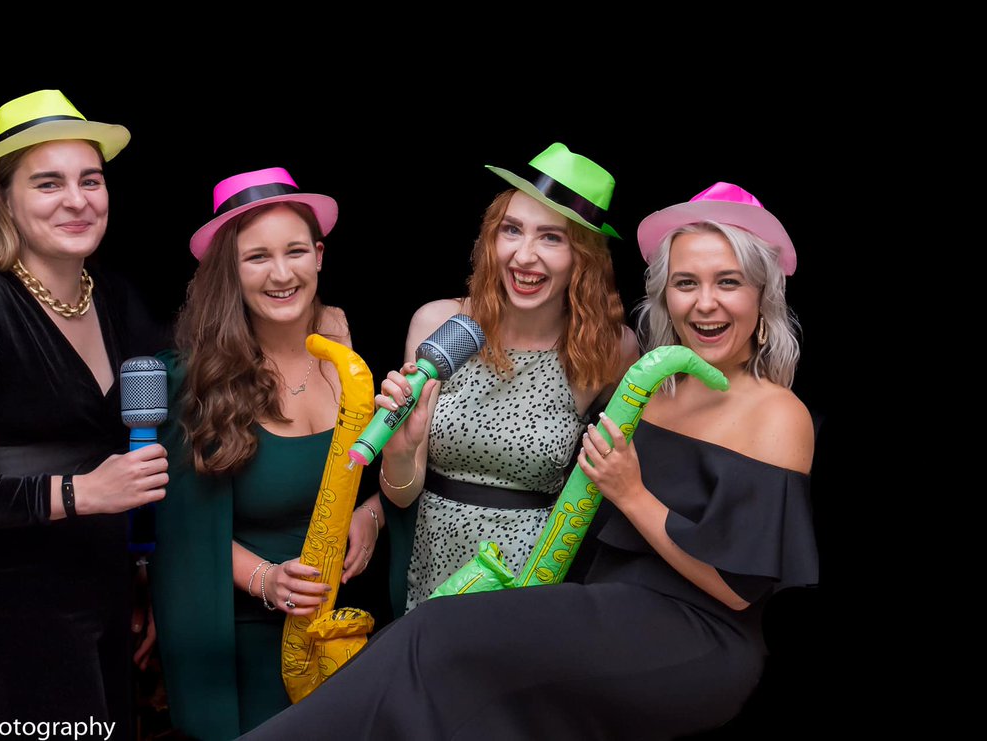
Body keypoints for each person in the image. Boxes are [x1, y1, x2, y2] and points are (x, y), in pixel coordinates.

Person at [238, 181, 819, 740]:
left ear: (762, 295)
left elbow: (741, 588)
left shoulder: (778, 414)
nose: (706, 302)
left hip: (690, 632)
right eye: (687, 282)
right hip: (597, 603)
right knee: (444, 678)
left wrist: (632, 494)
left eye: (729, 282)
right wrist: (398, 456)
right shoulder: (661, 388)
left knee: (434, 638)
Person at [0, 89, 167, 739]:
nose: (77, 199)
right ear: (6, 199)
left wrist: (137, 578)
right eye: (48, 183)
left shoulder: (110, 300)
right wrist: (79, 491)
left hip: (102, 594)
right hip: (8, 609)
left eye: (90, 179)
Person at [150, 167, 384, 738]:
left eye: (296, 251)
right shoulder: (190, 381)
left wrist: (372, 515)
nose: (282, 274)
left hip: (348, 640)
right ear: (229, 271)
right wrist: (268, 579)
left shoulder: (351, 357)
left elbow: (383, 479)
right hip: (243, 642)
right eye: (257, 257)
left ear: (320, 256)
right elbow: (182, 529)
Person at [376, 143, 638, 612]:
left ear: (583, 257)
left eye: (552, 238)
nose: (524, 254)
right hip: (431, 563)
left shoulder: (611, 348)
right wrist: (400, 449)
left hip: (532, 578)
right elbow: (403, 494)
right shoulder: (437, 323)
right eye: (511, 230)